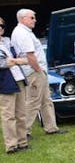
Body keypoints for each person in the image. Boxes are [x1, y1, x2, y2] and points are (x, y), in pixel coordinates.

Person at [10, 8, 66, 136]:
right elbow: (30, 55)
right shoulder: (22, 33)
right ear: (23, 19)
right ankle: (24, 132)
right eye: (32, 18)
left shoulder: (25, 32)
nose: (34, 20)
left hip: (37, 71)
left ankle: (51, 127)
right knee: (33, 101)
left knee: (46, 100)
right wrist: (38, 70)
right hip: (34, 71)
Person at [0, 17, 30, 154]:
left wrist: (13, 60)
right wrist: (15, 61)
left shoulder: (8, 41)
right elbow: (3, 63)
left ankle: (23, 142)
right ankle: (11, 146)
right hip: (5, 82)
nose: (1, 28)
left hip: (19, 79)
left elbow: (25, 59)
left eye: (2, 25)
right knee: (8, 115)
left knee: (21, 113)